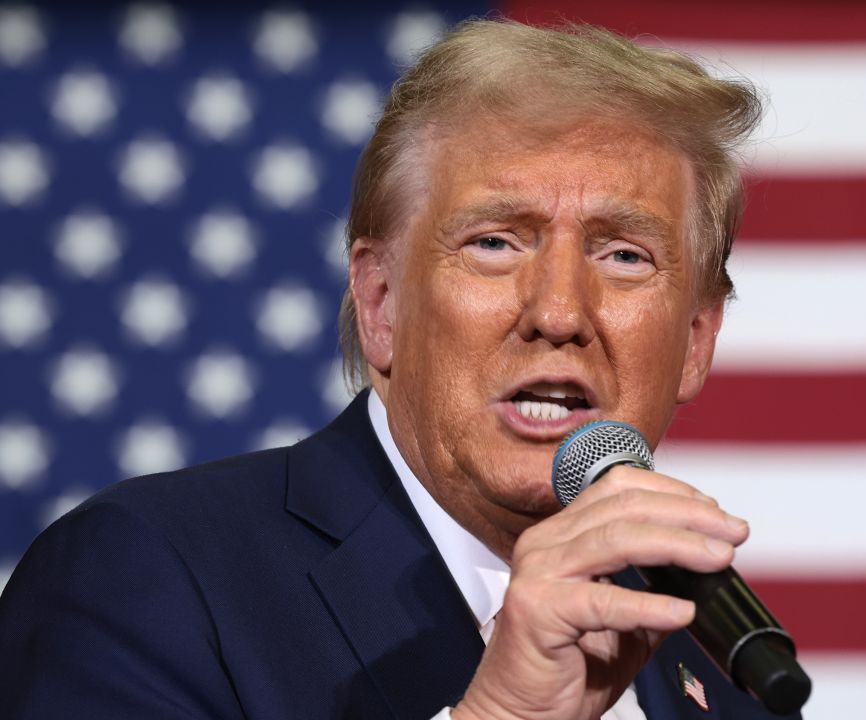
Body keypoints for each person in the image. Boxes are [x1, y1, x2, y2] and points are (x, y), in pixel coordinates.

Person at [0, 19, 795, 719]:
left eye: (624, 255)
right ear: (381, 304)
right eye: (495, 243)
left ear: (696, 340)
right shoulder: (145, 582)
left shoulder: (725, 671)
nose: (558, 313)